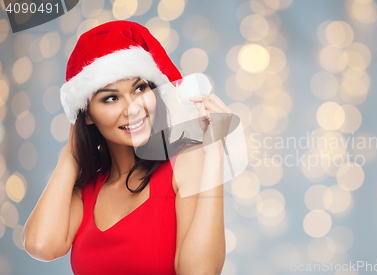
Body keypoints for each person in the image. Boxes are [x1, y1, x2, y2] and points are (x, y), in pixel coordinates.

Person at [21, 20, 230, 275]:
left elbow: (200, 271)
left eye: (139, 88)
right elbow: (40, 245)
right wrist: (71, 153)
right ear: (87, 115)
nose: (133, 108)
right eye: (111, 98)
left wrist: (215, 154)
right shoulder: (86, 191)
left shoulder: (185, 163)